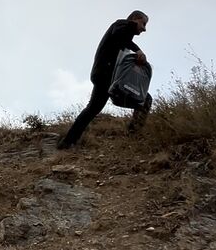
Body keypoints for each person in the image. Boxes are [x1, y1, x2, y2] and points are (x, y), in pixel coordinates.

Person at [58, 10, 152, 149]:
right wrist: (138, 50)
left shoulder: (125, 37)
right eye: (143, 24)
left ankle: (67, 143)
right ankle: (133, 134)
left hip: (110, 77)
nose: (144, 29)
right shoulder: (121, 25)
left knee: (93, 109)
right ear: (135, 19)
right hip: (106, 76)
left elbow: (122, 42)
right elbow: (119, 35)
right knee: (143, 99)